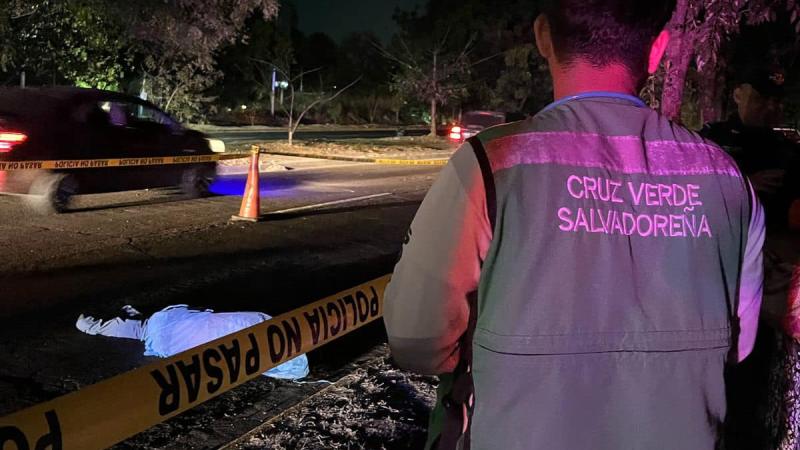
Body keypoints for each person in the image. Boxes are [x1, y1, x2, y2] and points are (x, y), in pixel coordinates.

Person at [383, 1, 766, 449]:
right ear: (659, 49)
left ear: (543, 36)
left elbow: (415, 337)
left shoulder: (492, 165)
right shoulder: (727, 179)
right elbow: (740, 345)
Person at [76, 304, 310, 380]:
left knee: (146, 328)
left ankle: (94, 324)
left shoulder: (156, 329)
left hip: (171, 332)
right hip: (172, 329)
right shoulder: (160, 324)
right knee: (147, 327)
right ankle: (97, 324)